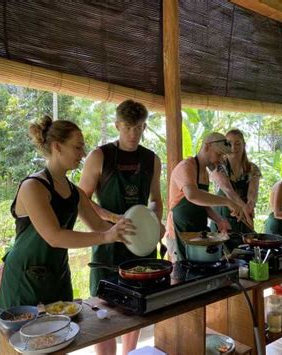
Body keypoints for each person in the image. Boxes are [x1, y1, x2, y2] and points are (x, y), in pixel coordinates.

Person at [0, 116, 134, 349]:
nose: (83, 153)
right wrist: (106, 237)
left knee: (59, 339)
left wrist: (133, 229)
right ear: (57, 147)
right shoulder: (33, 187)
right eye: (77, 147)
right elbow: (54, 236)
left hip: (57, 273)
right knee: (24, 345)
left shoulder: (74, 191)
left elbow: (99, 226)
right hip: (24, 277)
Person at [79, 99, 163, 355]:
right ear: (117, 125)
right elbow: (81, 198)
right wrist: (108, 217)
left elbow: (156, 199)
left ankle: (130, 353)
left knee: (137, 306)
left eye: (138, 127)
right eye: (127, 127)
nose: (133, 133)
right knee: (103, 310)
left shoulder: (151, 159)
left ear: (144, 127)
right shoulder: (100, 156)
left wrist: (156, 223)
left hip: (141, 244)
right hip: (108, 243)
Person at [166, 132, 244, 262]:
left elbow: (202, 204)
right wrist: (227, 201)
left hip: (197, 233)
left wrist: (219, 220)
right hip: (178, 233)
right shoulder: (187, 166)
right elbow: (193, 195)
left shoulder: (204, 173)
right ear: (207, 146)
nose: (220, 160)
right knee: (183, 274)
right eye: (218, 154)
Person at [210, 129, 261, 251]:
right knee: (225, 254)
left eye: (238, 143)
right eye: (229, 143)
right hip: (223, 215)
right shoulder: (218, 167)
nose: (234, 147)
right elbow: (229, 191)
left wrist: (250, 206)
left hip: (244, 213)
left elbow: (252, 193)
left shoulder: (252, 168)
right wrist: (245, 210)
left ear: (244, 145)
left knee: (246, 251)